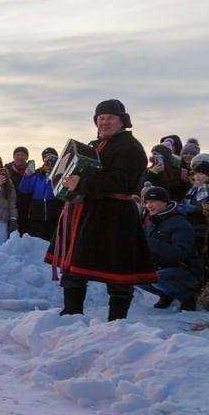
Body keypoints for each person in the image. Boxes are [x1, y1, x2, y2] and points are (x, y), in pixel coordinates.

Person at [47, 99, 157, 320]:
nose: (104, 122)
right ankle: (71, 316)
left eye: (110, 118)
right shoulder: (93, 146)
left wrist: (82, 182)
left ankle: (116, 324)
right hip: (85, 213)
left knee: (118, 275)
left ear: (122, 121)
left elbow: (120, 181)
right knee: (74, 269)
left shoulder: (131, 147)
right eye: (101, 118)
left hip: (115, 217)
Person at [139, 186, 202, 310]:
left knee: (157, 277)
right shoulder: (152, 221)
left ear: (165, 202)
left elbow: (181, 253)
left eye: (153, 201)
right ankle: (166, 294)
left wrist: (151, 243)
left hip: (186, 270)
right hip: (163, 267)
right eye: (146, 202)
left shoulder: (180, 222)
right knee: (136, 275)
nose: (149, 205)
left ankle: (187, 296)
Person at [18, 148, 61, 240]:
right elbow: (24, 190)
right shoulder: (37, 174)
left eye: (53, 159)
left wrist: (54, 174)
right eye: (47, 159)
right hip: (37, 213)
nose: (50, 162)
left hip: (54, 214)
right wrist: (26, 177)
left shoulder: (60, 173)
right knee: (37, 240)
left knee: (52, 241)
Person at [6, 147, 31, 234]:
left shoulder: (33, 172)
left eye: (23, 155)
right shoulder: (6, 171)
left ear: (27, 157)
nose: (20, 157)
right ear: (13, 156)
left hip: (28, 212)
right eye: (18, 155)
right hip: (10, 211)